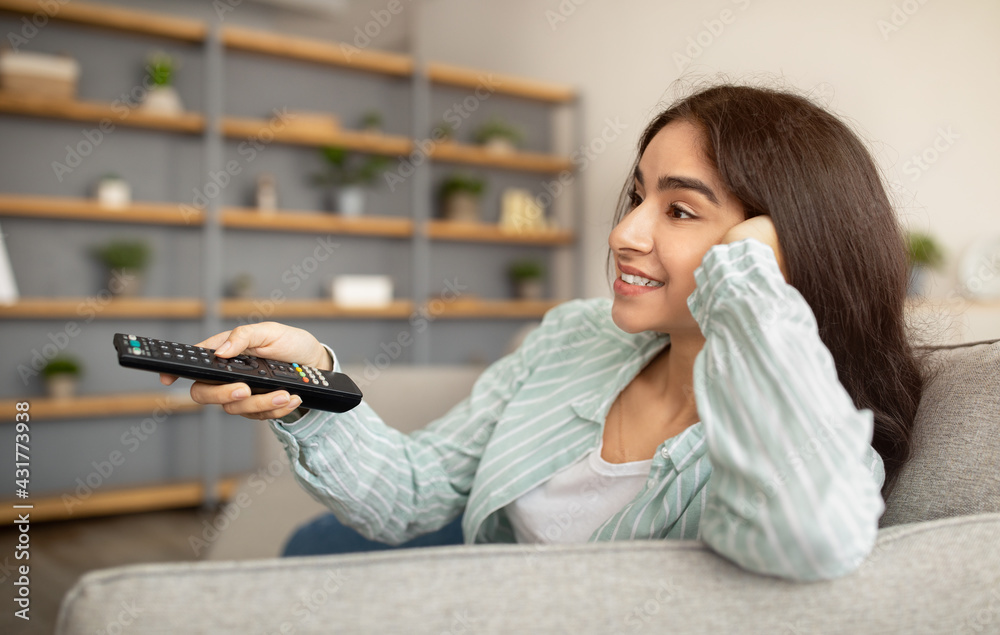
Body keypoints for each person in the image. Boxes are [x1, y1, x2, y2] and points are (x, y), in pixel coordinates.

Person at [161, 82, 924, 581]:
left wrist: (754, 286)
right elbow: (417, 489)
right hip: (479, 575)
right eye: (637, 194)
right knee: (304, 553)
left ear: (779, 248)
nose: (625, 231)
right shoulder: (576, 334)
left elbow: (808, 536)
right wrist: (308, 390)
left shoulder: (792, 421)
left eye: (680, 209)